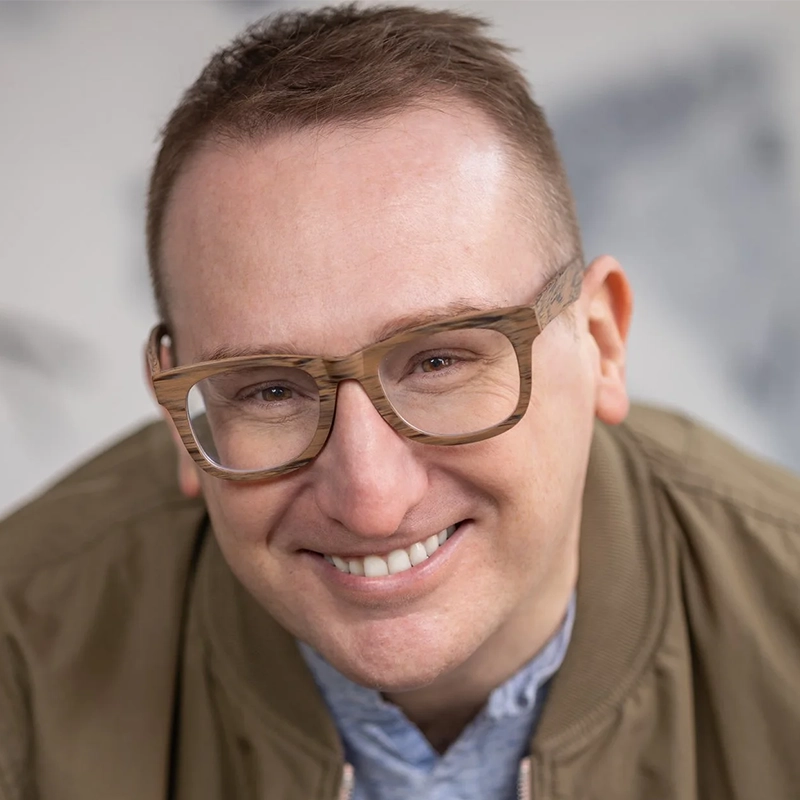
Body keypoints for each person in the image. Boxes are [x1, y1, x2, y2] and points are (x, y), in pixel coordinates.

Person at [1, 4, 799, 799]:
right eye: (271, 390)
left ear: (602, 342)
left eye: (440, 361)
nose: (372, 500)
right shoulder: (20, 661)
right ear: (182, 420)